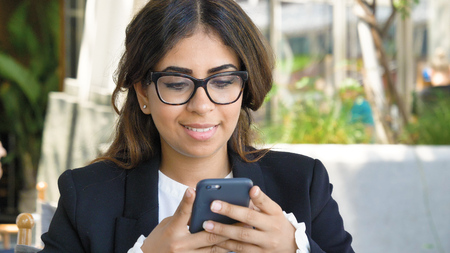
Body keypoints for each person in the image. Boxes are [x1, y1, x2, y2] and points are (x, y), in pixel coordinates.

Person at [40, 0, 354, 252]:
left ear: (243, 88)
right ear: (142, 93)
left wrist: (296, 249)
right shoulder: (86, 196)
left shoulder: (303, 184)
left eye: (223, 81)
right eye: (177, 84)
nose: (202, 105)